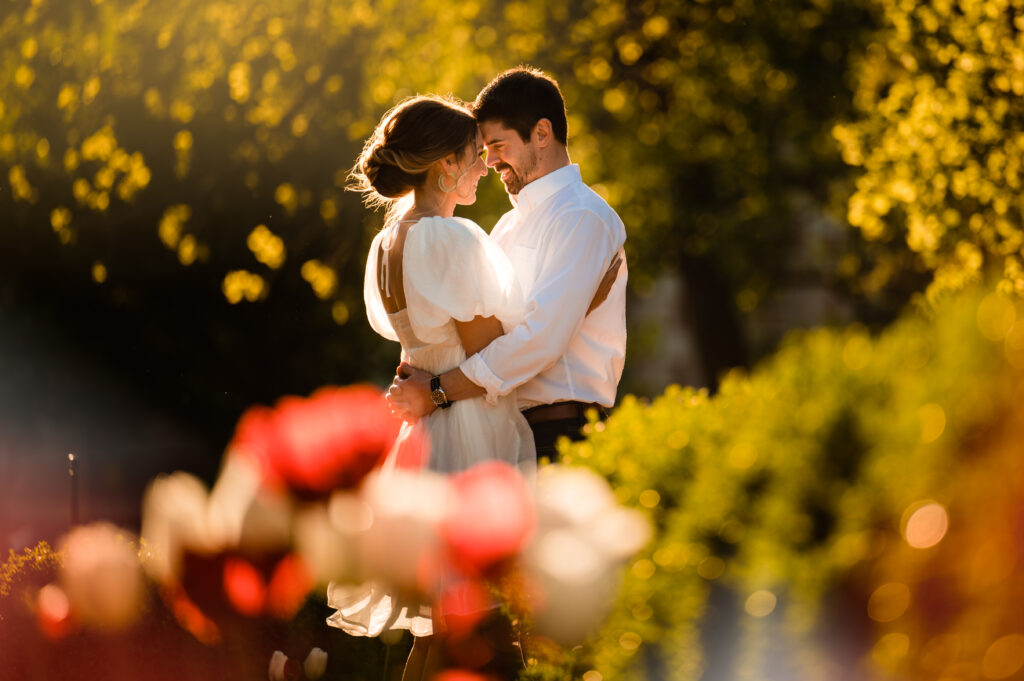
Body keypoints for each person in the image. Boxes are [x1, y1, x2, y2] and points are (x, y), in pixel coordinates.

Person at [326, 93, 615, 681]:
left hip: (426, 430)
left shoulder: (389, 242)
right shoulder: (451, 239)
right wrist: (572, 306)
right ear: (445, 165)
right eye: (474, 155)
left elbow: (425, 340)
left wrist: (429, 383)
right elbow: (494, 344)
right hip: (469, 426)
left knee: (439, 627)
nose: (484, 165)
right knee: (481, 622)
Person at [387, 67, 627, 462]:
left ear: (542, 134)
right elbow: (479, 332)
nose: (491, 161)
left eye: (498, 145)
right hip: (500, 432)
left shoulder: (583, 218)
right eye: (484, 150)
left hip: (558, 432)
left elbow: (540, 340)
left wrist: (436, 391)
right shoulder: (505, 226)